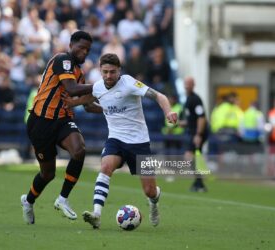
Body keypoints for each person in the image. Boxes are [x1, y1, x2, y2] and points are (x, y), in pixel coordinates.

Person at [64, 53, 177, 229]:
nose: (108, 76)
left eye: (112, 72)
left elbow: (159, 96)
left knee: (149, 191)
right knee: (105, 167)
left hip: (139, 142)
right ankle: (97, 214)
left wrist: (168, 112)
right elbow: (88, 101)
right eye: (105, 72)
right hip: (115, 139)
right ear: (100, 71)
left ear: (119, 71)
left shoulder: (129, 83)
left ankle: (154, 202)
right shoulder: (99, 87)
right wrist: (70, 103)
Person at [20, 31, 97, 224]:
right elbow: (71, 89)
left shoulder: (80, 73)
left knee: (79, 150)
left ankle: (62, 199)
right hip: (40, 122)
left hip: (62, 120)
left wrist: (111, 110)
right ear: (71, 45)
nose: (84, 52)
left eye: (88, 50)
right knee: (48, 174)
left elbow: (86, 105)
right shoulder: (62, 59)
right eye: (81, 47)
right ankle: (28, 201)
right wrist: (100, 86)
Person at [181, 77, 208, 192]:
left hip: (197, 133)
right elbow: (193, 118)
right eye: (186, 83)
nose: (187, 86)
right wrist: (183, 123)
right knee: (194, 157)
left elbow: (201, 117)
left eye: (189, 84)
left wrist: (198, 134)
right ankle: (199, 183)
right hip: (192, 131)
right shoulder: (188, 99)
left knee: (190, 156)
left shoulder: (195, 99)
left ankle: (199, 183)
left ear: (193, 85)